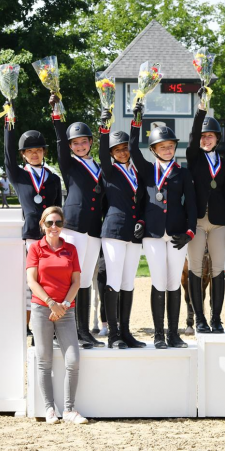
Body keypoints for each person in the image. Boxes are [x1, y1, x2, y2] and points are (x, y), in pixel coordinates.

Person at [131, 103, 197, 349]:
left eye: (170, 146)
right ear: (154, 149)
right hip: (153, 234)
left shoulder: (183, 173)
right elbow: (131, 149)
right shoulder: (147, 170)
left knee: (174, 284)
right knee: (158, 281)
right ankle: (159, 334)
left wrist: (190, 232)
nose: (168, 150)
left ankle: (174, 334)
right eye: (162, 147)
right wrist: (137, 121)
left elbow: (191, 205)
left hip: (178, 234)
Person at [51, 94, 104, 348]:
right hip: (74, 227)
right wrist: (57, 115)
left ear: (91, 143)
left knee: (84, 282)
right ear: (71, 147)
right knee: (71, 278)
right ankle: (67, 329)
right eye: (76, 143)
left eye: (84, 142)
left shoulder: (100, 166)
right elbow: (60, 141)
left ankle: (83, 330)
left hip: (94, 229)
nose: (80, 146)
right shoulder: (69, 165)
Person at [4, 101, 63, 329]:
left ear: (44, 152)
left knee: (53, 278)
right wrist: (10, 120)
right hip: (31, 236)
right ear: (24, 155)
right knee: (33, 281)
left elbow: (57, 208)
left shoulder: (54, 178)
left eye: (38, 150)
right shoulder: (19, 176)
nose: (34, 154)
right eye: (29, 151)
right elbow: (8, 155)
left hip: (52, 236)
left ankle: (55, 321)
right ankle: (32, 324)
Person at [26, 206, 87, 425]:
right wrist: (51, 303)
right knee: (45, 361)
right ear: (42, 225)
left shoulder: (70, 249)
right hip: (42, 309)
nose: (54, 227)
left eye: (58, 223)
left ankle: (69, 409)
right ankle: (50, 409)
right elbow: (32, 281)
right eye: (50, 223)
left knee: (73, 361)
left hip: (66, 310)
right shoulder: (35, 248)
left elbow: (76, 282)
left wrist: (63, 304)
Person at [186, 95, 225, 334]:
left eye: (211, 136)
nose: (206, 139)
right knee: (196, 269)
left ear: (217, 138)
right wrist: (201, 110)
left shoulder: (224, 165)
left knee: (218, 269)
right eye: (203, 136)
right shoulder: (193, 158)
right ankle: (199, 319)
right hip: (196, 220)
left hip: (219, 222)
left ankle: (216, 318)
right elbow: (194, 133)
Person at [98, 110, 146, 349]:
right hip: (114, 231)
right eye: (117, 150)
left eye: (125, 148)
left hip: (135, 234)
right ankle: (113, 334)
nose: (123, 152)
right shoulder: (108, 170)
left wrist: (137, 122)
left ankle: (126, 332)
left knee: (128, 281)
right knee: (114, 280)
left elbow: (145, 201)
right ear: (111, 154)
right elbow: (101, 151)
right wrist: (104, 125)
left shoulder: (138, 171)